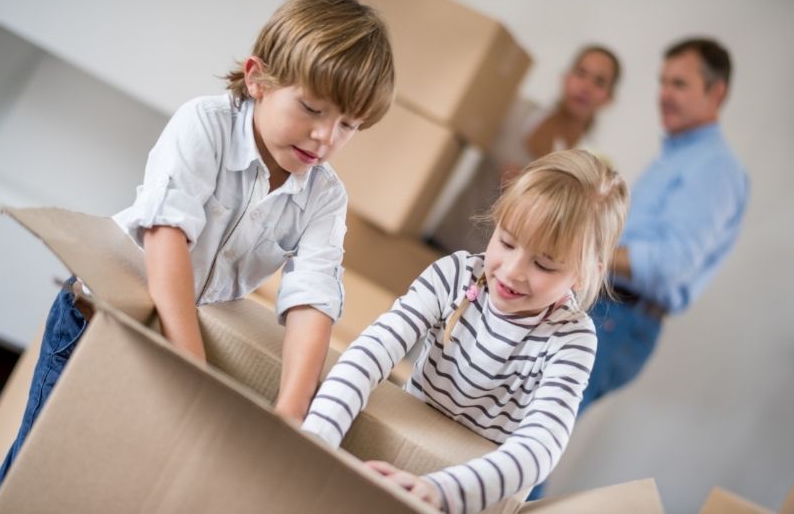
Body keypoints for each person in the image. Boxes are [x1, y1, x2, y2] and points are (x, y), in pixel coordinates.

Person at [0, 0, 394, 494]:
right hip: (102, 321)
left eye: (349, 125)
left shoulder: (325, 197)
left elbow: (313, 300)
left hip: (182, 341)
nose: (325, 137)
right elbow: (167, 237)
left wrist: (291, 416)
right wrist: (192, 373)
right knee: (44, 471)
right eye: (312, 108)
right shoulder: (204, 125)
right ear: (258, 78)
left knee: (110, 487)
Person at [302, 149, 630, 513]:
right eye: (506, 242)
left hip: (469, 493)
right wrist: (318, 438)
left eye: (544, 264)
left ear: (585, 272)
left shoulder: (572, 338)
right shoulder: (453, 276)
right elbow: (369, 354)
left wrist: (440, 490)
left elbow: (539, 449)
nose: (512, 271)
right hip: (396, 448)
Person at [580, 38, 749, 414]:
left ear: (716, 92)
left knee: (531, 439)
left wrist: (582, 251)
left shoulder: (714, 168)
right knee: (525, 433)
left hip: (620, 320)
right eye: (663, 82)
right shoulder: (674, 158)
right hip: (607, 307)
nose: (665, 94)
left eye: (680, 84)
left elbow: (670, 264)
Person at [430, 45, 621, 255]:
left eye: (599, 82)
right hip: (444, 241)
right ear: (565, 78)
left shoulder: (589, 168)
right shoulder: (513, 111)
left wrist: (529, 192)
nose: (586, 86)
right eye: (581, 73)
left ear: (609, 98)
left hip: (500, 273)